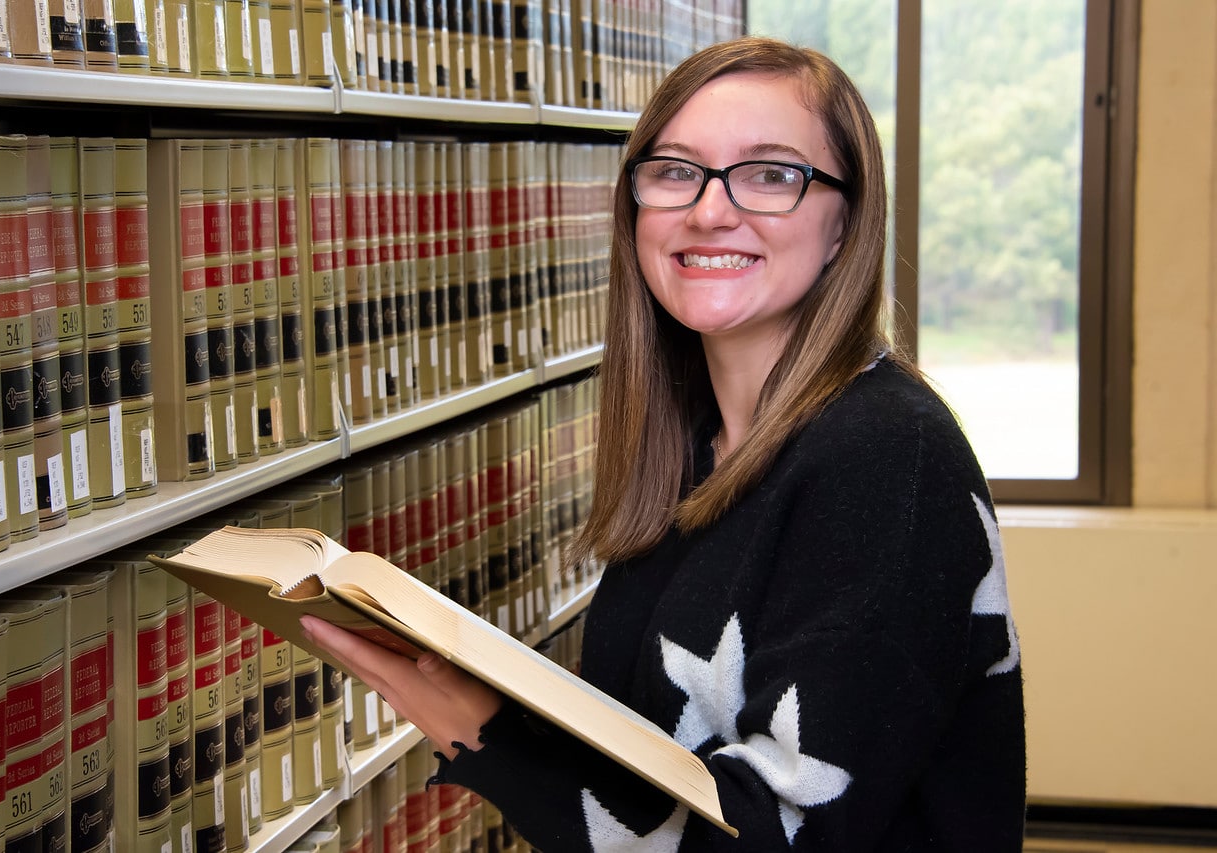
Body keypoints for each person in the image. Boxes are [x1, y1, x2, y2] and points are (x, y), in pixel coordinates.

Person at [302, 35, 1027, 850]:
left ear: (842, 226)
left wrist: (486, 733)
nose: (709, 209)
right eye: (676, 171)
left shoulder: (885, 456)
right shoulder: (690, 448)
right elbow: (651, 758)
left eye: (769, 174)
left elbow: (776, 837)